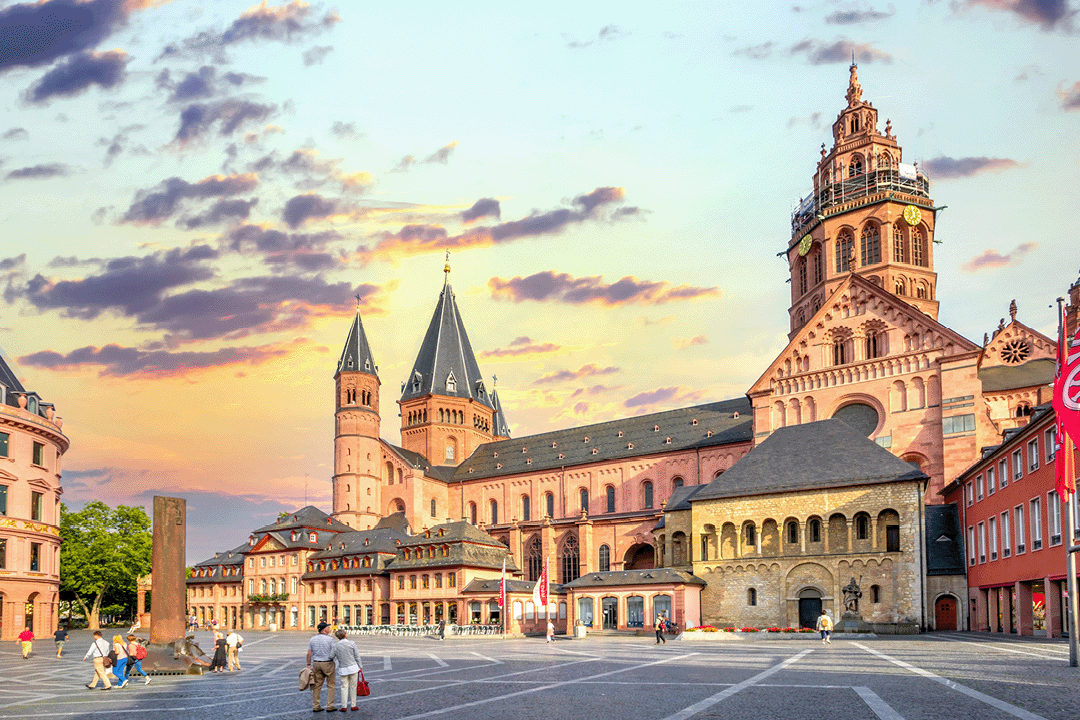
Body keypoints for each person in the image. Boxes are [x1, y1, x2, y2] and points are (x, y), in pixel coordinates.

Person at [306, 621, 337, 712]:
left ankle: (316, 706)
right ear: (324, 630)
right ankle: (330, 706)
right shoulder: (330, 640)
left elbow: (309, 652)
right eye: (328, 628)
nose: (329, 629)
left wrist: (308, 664)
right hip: (328, 663)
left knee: (317, 685)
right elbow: (334, 651)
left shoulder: (312, 639)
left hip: (316, 663)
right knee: (331, 685)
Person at [333, 628, 363, 712]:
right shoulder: (352, 644)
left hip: (343, 669)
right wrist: (360, 666)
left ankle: (344, 706)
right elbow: (357, 656)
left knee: (344, 687)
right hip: (353, 668)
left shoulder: (336, 645)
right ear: (345, 635)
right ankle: (353, 705)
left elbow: (331, 656)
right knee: (353, 687)